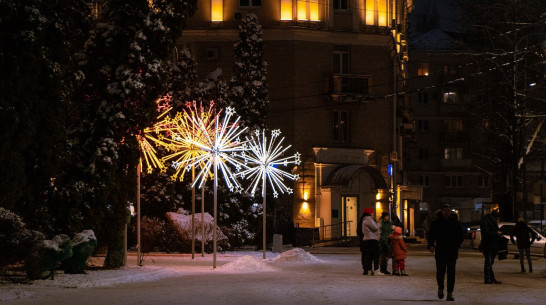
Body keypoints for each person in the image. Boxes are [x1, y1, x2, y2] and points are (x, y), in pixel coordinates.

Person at [427, 203, 463, 302]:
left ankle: (450, 293)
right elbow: (431, 235)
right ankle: (441, 288)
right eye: (444, 210)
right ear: (441, 211)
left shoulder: (455, 222)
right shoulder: (437, 222)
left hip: (452, 251)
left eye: (447, 210)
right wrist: (431, 245)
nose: (446, 212)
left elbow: (460, 236)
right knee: (440, 272)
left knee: (451, 273)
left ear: (450, 211)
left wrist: (456, 245)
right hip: (441, 250)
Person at [480, 209, 503, 284]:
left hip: (492, 245)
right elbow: (486, 233)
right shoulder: (486, 222)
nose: (497, 219)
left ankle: (491, 278)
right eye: (496, 218)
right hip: (488, 245)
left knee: (490, 263)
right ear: (492, 216)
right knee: (488, 262)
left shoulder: (491, 221)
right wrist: (496, 233)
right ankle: (488, 279)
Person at [361, 207, 380, 275]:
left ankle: (369, 270)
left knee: (368, 256)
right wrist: (379, 224)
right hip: (372, 239)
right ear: (370, 213)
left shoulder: (364, 219)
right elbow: (375, 228)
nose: (373, 213)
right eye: (372, 212)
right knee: (375, 255)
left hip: (367, 239)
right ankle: (376, 270)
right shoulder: (369, 219)